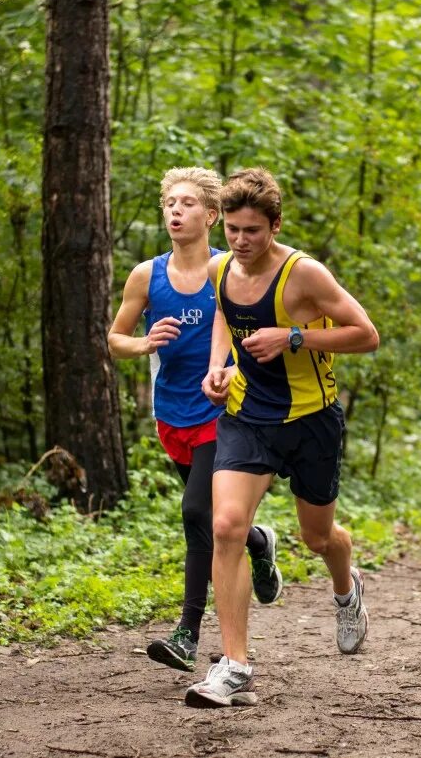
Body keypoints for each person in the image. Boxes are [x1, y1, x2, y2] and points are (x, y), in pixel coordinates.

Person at [184, 167, 380, 709]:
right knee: (225, 526)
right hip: (248, 417)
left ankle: (346, 590)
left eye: (252, 231)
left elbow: (366, 335)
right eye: (232, 230)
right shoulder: (221, 268)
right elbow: (225, 316)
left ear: (274, 225)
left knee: (319, 538)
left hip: (312, 420)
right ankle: (235, 665)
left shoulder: (304, 275)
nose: (240, 242)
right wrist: (218, 367)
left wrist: (294, 335)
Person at [107, 167, 283, 673]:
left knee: (194, 513)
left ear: (210, 215)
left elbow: (263, 327)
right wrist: (143, 342)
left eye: (186, 203)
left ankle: (187, 632)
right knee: (210, 513)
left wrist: (232, 366)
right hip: (173, 414)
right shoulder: (147, 275)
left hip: (225, 411)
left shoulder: (233, 269)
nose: (175, 211)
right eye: (169, 203)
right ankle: (257, 540)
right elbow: (114, 339)